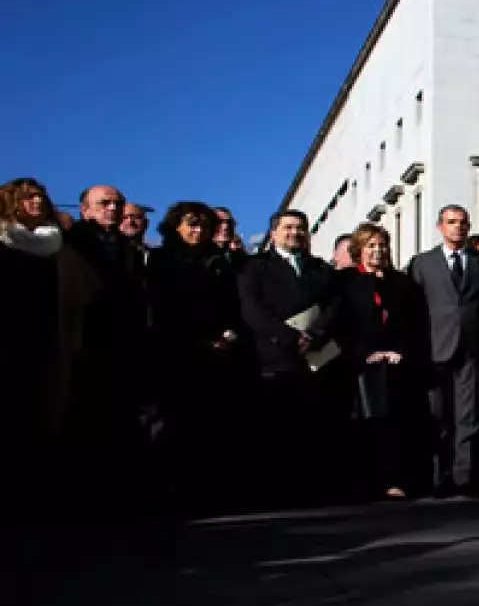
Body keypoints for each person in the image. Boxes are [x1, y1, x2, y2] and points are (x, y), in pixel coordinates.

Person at [315, 224, 430, 499]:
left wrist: (398, 351)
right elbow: (338, 323)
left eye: (381, 246)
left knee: (395, 425)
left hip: (395, 363)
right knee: (361, 424)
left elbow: (416, 323)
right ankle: (361, 482)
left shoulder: (402, 283)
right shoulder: (344, 281)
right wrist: (364, 353)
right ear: (359, 250)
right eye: (371, 246)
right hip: (357, 364)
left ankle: (393, 479)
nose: (377, 251)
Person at [146, 202, 247, 508]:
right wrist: (200, 340)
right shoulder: (162, 260)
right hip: (177, 352)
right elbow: (161, 307)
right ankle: (174, 491)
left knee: (212, 423)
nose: (198, 231)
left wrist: (229, 333)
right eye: (191, 224)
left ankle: (210, 490)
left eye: (204, 225)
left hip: (218, 352)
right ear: (176, 226)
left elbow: (232, 303)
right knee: (176, 424)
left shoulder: (219, 262)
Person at [238, 209, 338, 505]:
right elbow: (252, 309)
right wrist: (289, 337)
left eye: (300, 228)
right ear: (273, 233)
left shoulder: (320, 268)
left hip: (315, 357)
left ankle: (311, 489)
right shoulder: (254, 268)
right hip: (274, 357)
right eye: (288, 228)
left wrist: (316, 334)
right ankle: (277, 492)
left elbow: (334, 304)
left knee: (312, 427)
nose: (295, 233)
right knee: (276, 429)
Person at [62, 184, 149, 486]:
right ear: (84, 210)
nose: (112, 209)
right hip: (84, 342)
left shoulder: (128, 249)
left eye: (117, 203)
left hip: (124, 344)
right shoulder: (69, 245)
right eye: (104, 204)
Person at [408, 205, 479, 496]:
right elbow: (413, 310)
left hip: (472, 347)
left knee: (469, 415)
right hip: (435, 348)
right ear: (439, 226)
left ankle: (464, 476)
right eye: (452, 222)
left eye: (463, 223)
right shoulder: (422, 263)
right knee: (438, 415)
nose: (458, 227)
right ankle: (439, 477)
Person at [0, 178, 67, 480]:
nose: (37, 202)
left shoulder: (56, 244)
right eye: (28, 197)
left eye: (41, 196)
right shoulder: (3, 241)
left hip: (46, 337)